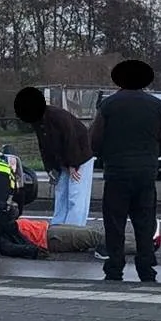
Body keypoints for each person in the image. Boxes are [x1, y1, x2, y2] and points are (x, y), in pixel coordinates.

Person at [90, 61, 161, 282]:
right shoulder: (156, 105)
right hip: (146, 172)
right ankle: (146, 267)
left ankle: (115, 267)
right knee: (145, 221)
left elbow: (94, 140)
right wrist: (151, 155)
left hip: (117, 172)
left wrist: (106, 155)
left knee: (115, 223)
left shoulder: (108, 106)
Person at [13, 88, 95, 226]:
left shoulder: (57, 117)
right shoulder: (40, 120)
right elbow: (44, 147)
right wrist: (51, 168)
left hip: (80, 157)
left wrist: (73, 165)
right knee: (62, 193)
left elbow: (71, 139)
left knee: (76, 195)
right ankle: (60, 227)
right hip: (65, 159)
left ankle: (73, 229)